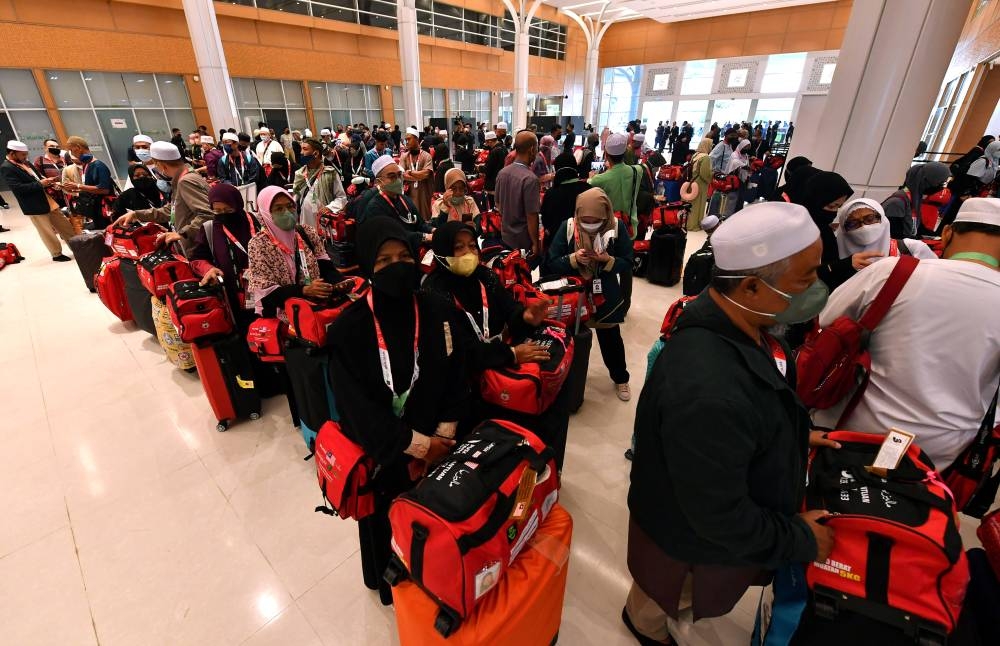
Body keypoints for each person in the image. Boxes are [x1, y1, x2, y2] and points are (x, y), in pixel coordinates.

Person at [625, 201, 835, 645]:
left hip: (694, 518)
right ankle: (643, 626)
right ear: (752, 286)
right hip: (687, 537)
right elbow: (718, 515)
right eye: (806, 278)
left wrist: (791, 433)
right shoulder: (708, 387)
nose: (818, 287)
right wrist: (798, 538)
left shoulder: (744, 324)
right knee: (662, 593)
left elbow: (749, 413)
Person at [326, 217, 469, 606]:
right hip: (385, 456)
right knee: (387, 532)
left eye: (404, 256)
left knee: (431, 531)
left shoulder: (438, 309)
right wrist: (419, 446)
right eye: (384, 260)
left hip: (439, 447)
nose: (398, 266)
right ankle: (393, 588)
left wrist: (442, 439)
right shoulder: (349, 330)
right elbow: (358, 412)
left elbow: (457, 374)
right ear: (367, 265)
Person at [815, 197, 1000, 469]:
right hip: (941, 455)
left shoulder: (893, 270)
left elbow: (824, 323)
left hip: (853, 431)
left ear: (947, 233)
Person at [547, 187, 634, 401]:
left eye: (596, 221)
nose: (590, 224)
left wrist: (608, 261)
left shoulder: (616, 227)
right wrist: (573, 259)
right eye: (585, 220)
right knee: (572, 339)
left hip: (605, 295)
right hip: (574, 296)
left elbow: (628, 261)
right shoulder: (568, 227)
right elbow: (551, 261)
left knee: (611, 340)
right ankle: (567, 380)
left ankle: (621, 378)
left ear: (606, 215)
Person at [246, 185, 343, 318]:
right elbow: (267, 295)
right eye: (279, 209)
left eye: (290, 206)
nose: (287, 212)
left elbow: (326, 267)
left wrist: (338, 283)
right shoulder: (258, 245)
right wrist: (304, 290)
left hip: (317, 308)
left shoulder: (306, 233)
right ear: (266, 213)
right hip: (285, 316)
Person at [116, 141, 215, 254]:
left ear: (161, 165)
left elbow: (207, 214)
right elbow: (171, 210)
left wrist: (182, 233)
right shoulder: (182, 179)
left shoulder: (186, 181)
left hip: (199, 247)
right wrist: (137, 214)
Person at [820, 198, 937, 291]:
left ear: (882, 218)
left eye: (870, 219)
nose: (864, 227)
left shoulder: (911, 249)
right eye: (853, 223)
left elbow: (935, 282)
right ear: (844, 230)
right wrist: (843, 266)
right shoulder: (830, 254)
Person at [189, 182, 260, 322]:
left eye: (228, 210)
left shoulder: (256, 221)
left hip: (264, 290)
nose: (223, 215)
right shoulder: (210, 229)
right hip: (231, 296)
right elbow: (196, 259)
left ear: (238, 205)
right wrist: (208, 269)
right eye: (217, 211)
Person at [0, 140, 74, 260]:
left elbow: (38, 178)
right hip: (33, 205)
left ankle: (77, 246)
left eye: (26, 154)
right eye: (23, 154)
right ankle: (56, 254)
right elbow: (18, 188)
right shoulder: (7, 167)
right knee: (47, 231)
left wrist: (50, 183)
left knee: (65, 225)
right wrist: (41, 184)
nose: (25, 157)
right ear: (12, 153)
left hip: (47, 199)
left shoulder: (26, 163)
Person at [360, 156, 431, 250]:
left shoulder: (405, 199)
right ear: (379, 182)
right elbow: (393, 235)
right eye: (392, 176)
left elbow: (420, 224)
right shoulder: (375, 208)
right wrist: (424, 237)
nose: (398, 180)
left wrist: (432, 230)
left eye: (399, 175)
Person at [496, 130, 542, 261]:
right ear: (532, 149)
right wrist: (535, 243)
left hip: (505, 236)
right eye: (537, 148)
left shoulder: (502, 173)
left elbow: (498, 204)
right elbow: (531, 216)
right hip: (523, 241)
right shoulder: (530, 179)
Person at [589, 133, 641, 236]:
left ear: (606, 154)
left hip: (609, 229)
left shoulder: (598, 179)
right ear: (625, 152)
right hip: (630, 227)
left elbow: (590, 184)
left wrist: (591, 177)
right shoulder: (637, 171)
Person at [881, 162, 950, 238]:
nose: (941, 187)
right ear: (926, 181)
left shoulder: (914, 199)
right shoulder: (897, 203)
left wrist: (938, 237)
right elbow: (894, 236)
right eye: (940, 183)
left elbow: (918, 228)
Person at [797, 170, 854, 264]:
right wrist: (848, 264)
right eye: (831, 206)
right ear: (815, 201)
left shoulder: (824, 229)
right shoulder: (797, 232)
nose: (835, 212)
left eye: (839, 207)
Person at [541, 152, 591, 256]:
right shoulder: (588, 190)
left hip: (557, 250)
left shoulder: (551, 194)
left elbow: (546, 222)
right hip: (585, 249)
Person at [291, 138, 347, 229]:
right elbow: (295, 197)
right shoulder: (299, 174)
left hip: (324, 222)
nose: (301, 152)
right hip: (305, 221)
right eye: (301, 149)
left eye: (305, 149)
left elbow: (341, 198)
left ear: (315, 153)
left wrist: (330, 207)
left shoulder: (330, 173)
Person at [64, 136, 114, 229]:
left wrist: (78, 186)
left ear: (78, 147)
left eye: (71, 150)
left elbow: (104, 189)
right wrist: (74, 188)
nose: (71, 153)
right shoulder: (87, 165)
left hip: (104, 209)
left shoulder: (98, 166)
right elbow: (90, 187)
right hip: (95, 208)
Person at [399, 127, 434, 221]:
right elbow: (402, 175)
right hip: (409, 194)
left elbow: (426, 174)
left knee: (425, 219)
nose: (407, 142)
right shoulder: (404, 156)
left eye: (409, 139)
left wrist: (411, 172)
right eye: (406, 140)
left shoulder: (426, 156)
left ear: (416, 139)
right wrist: (419, 176)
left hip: (423, 194)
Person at [686, 138, 714, 231]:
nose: (711, 147)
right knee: (698, 205)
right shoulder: (705, 157)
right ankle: (694, 225)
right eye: (710, 145)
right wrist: (712, 175)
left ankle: (688, 223)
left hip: (692, 181)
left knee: (692, 204)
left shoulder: (696, 155)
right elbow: (704, 174)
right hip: (700, 184)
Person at [34, 138, 66, 209]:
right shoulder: (40, 160)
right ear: (45, 148)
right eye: (52, 146)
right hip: (53, 195)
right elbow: (38, 177)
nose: (55, 148)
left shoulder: (65, 159)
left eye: (57, 147)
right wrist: (53, 184)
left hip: (68, 192)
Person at [482, 130, 508, 209]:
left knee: (493, 207)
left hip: (493, 183)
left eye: (487, 142)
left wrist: (480, 168)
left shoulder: (494, 151)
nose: (486, 145)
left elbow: (488, 169)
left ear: (490, 141)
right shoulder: (504, 148)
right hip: (502, 182)